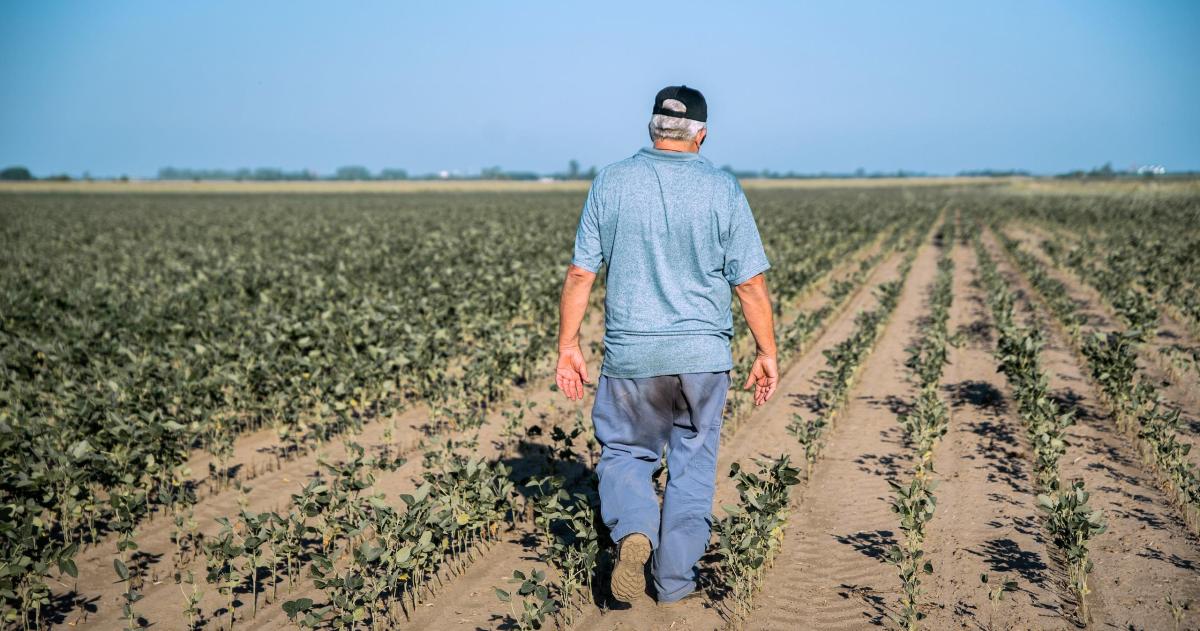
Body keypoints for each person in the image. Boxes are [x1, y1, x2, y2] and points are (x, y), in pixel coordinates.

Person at [554, 84, 779, 606]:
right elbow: (750, 285)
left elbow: (579, 274)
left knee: (627, 454)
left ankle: (635, 528)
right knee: (692, 466)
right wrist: (766, 352)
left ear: (652, 129)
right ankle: (675, 585)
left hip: (633, 357)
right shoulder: (723, 189)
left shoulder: (610, 182)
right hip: (702, 359)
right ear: (701, 135)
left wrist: (569, 344)